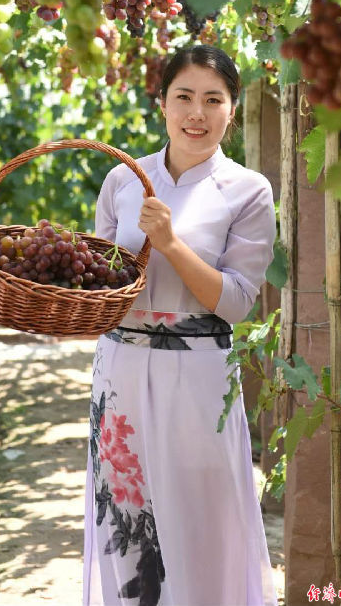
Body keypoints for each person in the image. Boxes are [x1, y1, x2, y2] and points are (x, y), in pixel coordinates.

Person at [82, 45, 278, 606]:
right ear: (162, 104)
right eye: (184, 97)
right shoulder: (124, 178)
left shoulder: (247, 190)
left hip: (198, 375)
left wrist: (168, 243)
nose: (197, 112)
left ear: (231, 110)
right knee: (128, 523)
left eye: (213, 100)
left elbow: (238, 302)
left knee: (202, 526)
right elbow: (100, 284)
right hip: (119, 373)